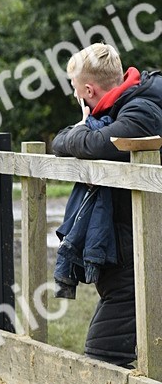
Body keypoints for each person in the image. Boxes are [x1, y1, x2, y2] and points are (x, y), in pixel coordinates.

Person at [51, 42, 162, 367]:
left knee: (105, 354)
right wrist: (82, 133)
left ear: (88, 89)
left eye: (76, 91)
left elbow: (99, 142)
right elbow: (63, 140)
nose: (77, 99)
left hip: (139, 244)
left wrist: (83, 129)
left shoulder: (142, 110)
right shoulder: (125, 106)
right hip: (130, 242)